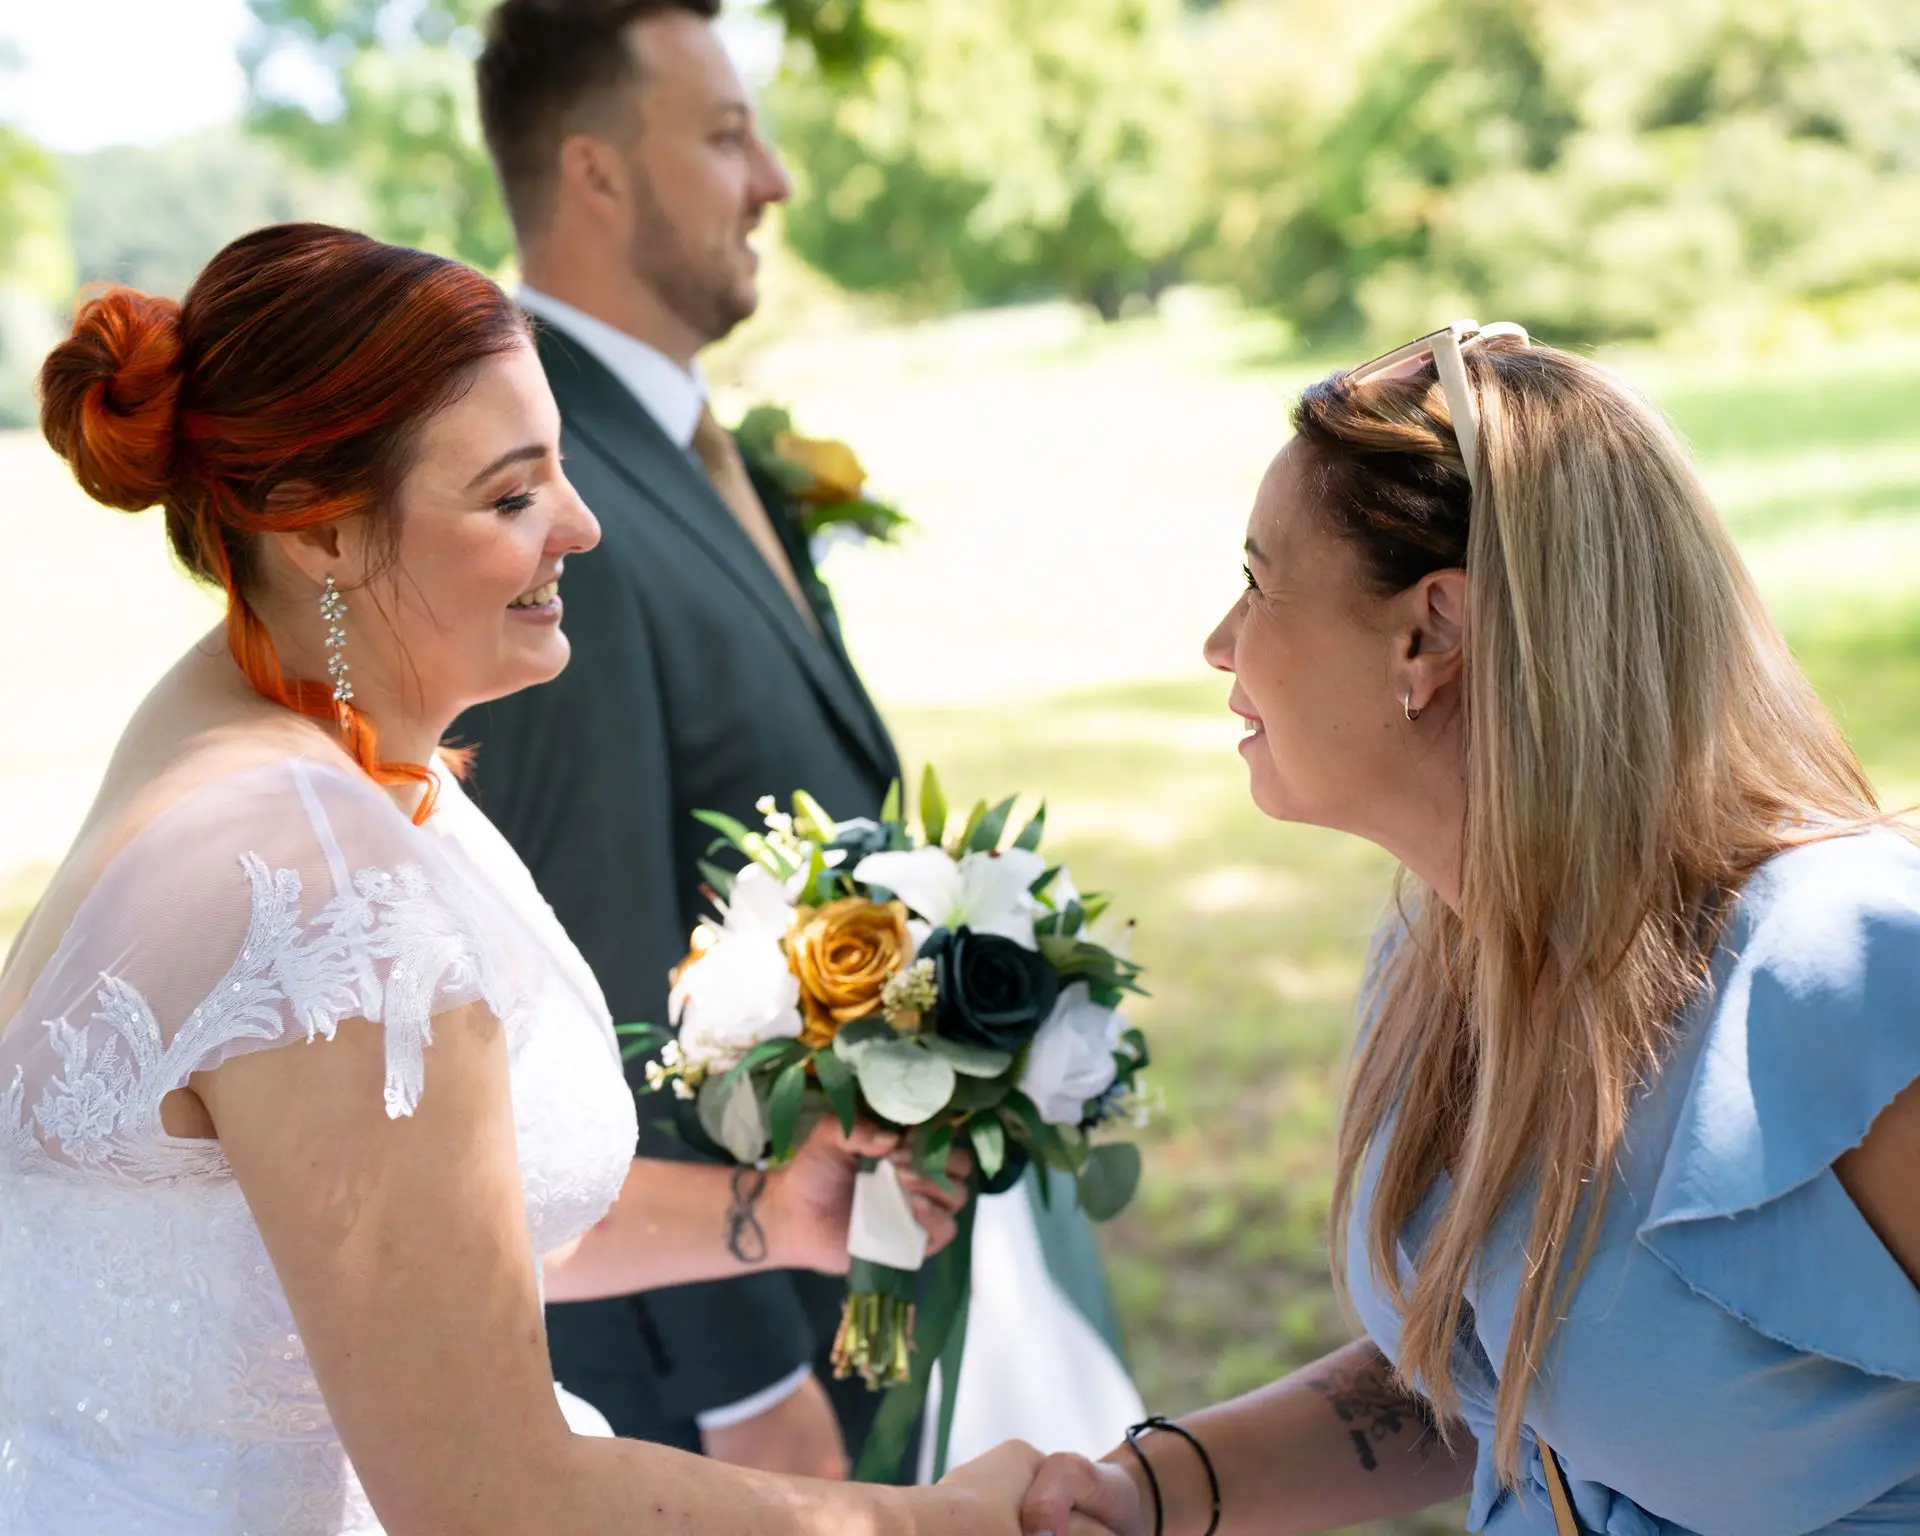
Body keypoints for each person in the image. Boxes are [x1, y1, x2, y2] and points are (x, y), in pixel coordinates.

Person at [0, 220, 1035, 1535]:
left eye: (562, 470)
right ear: (318, 532)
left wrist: (767, 1213)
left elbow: (408, 1244)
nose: (582, 528)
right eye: (510, 497)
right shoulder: (320, 880)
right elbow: (489, 1499)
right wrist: (938, 1521)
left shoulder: (264, 738)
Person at [1018, 322, 1920, 1536]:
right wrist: (1147, 1491)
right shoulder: (1435, 953)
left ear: (1430, 633)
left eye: (1259, 583)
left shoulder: (1843, 979)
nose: (1221, 642)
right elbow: (1495, 1377)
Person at [456, 0, 1137, 1482]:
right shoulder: (553, 500)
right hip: (737, 1345)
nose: (773, 178)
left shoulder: (699, 451)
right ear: (595, 174)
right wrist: (743, 1378)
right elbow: (586, 983)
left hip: (854, 1254)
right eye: (724, 136)